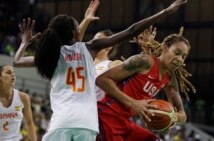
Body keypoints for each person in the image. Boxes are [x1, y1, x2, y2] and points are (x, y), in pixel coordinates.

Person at [13, 0, 188, 140]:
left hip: (63, 121)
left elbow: (18, 61)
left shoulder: (51, 56)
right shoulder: (89, 50)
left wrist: (24, 43)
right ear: (75, 33)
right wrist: (165, 12)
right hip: (90, 122)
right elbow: (130, 31)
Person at [95, 26, 196, 141]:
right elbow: (101, 80)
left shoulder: (170, 79)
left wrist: (170, 117)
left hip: (125, 122)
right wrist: (133, 103)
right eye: (177, 53)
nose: (179, 59)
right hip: (106, 116)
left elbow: (183, 116)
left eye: (183, 56)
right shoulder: (145, 61)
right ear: (165, 47)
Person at [0, 65, 37, 141]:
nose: (12, 75)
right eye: (8, 72)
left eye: (13, 73)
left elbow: (29, 123)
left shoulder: (23, 97)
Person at [93, 30, 123, 101]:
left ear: (109, 45)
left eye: (98, 39)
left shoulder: (113, 65)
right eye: (93, 40)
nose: (93, 42)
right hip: (74, 108)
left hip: (97, 109)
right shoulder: (84, 62)